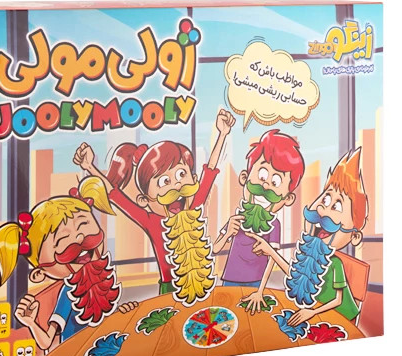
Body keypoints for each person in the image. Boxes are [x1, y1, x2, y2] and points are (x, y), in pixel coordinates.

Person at [74, 109, 235, 304]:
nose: (176, 186)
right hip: (170, 289)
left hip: (203, 285)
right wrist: (90, 167)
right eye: (164, 181)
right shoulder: (152, 221)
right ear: (145, 200)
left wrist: (222, 134)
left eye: (181, 174)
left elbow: (210, 170)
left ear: (193, 179)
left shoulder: (193, 207)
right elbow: (116, 196)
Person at [0, 176, 136, 352]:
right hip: (76, 354)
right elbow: (46, 342)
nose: (79, 237)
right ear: (39, 274)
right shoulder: (69, 293)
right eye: (63, 238)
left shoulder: (102, 280)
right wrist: (30, 322)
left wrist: (120, 311)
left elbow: (102, 318)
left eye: (83, 224)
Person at [251, 148, 368, 326]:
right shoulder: (307, 254)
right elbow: (294, 275)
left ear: (355, 236)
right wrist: (270, 251)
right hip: (315, 309)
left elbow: (338, 300)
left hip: (340, 317)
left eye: (336, 206)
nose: (322, 210)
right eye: (325, 199)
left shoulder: (335, 264)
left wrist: (312, 312)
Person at [213, 130, 304, 314]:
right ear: (244, 178)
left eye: (276, 181)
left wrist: (260, 291)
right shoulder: (238, 216)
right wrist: (228, 232)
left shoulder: (274, 225)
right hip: (230, 278)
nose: (266, 185)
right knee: (227, 316)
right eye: (262, 176)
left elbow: (271, 261)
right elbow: (215, 249)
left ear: (288, 198)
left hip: (256, 281)